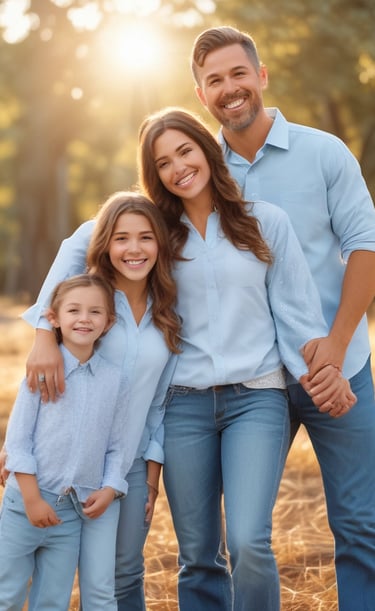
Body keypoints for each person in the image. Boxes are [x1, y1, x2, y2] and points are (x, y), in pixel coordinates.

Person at [137, 106, 355, 611]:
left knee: (248, 543)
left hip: (255, 401)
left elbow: (298, 317)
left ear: (207, 151)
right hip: (182, 407)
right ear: (156, 175)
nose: (178, 167)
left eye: (185, 151)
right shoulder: (155, 238)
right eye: (163, 162)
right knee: (196, 554)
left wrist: (326, 375)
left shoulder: (265, 222)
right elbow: (85, 247)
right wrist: (44, 331)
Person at [190, 25, 375, 611]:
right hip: (256, 385)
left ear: (262, 76)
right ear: (201, 94)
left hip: (340, 370)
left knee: (361, 527)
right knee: (241, 538)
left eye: (238, 73)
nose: (230, 89)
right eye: (213, 80)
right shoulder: (198, 175)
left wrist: (338, 344)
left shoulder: (323, 153)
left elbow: (365, 245)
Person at [0, 192, 181, 610]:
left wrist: (148, 479)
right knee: (24, 586)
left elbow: (156, 406)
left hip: (119, 472)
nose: (133, 249)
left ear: (161, 244)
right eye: (120, 238)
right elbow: (34, 402)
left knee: (112, 578)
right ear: (105, 244)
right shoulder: (90, 301)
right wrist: (22, 465)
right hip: (52, 474)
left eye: (145, 238)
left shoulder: (167, 315)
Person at [0, 273, 129, 611]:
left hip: (72, 513)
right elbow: (17, 443)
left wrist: (112, 486)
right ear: (54, 318)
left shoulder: (114, 380)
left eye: (95, 312)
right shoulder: (41, 370)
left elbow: (117, 446)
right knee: (6, 593)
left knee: (53, 600)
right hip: (24, 504)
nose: (84, 319)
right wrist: (31, 499)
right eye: (73, 310)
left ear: (109, 322)